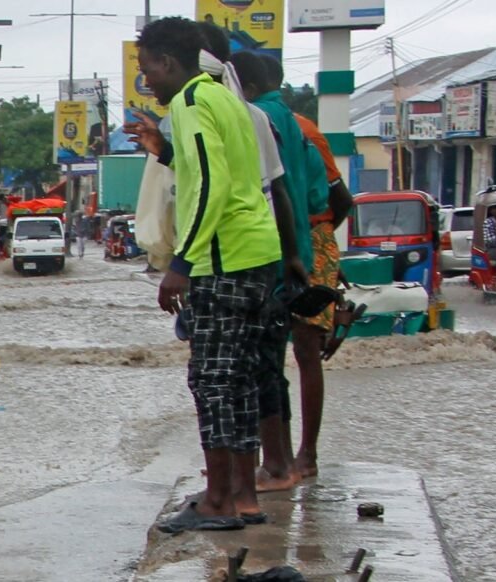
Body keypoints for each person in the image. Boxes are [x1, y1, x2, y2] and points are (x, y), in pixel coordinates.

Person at [125, 17, 282, 532]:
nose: (147, 82)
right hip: (258, 252)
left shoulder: (191, 103)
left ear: (169, 63)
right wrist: (164, 150)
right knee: (239, 379)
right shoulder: (222, 97)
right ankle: (243, 496)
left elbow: (212, 186)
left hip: (223, 257)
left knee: (211, 380)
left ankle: (217, 501)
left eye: (148, 70)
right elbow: (221, 170)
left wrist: (182, 263)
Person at [229, 50, 323, 493]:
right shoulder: (300, 125)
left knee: (259, 365)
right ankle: (290, 458)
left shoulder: (251, 118)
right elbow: (325, 194)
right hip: (297, 250)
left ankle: (275, 465)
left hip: (263, 253)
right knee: (284, 361)